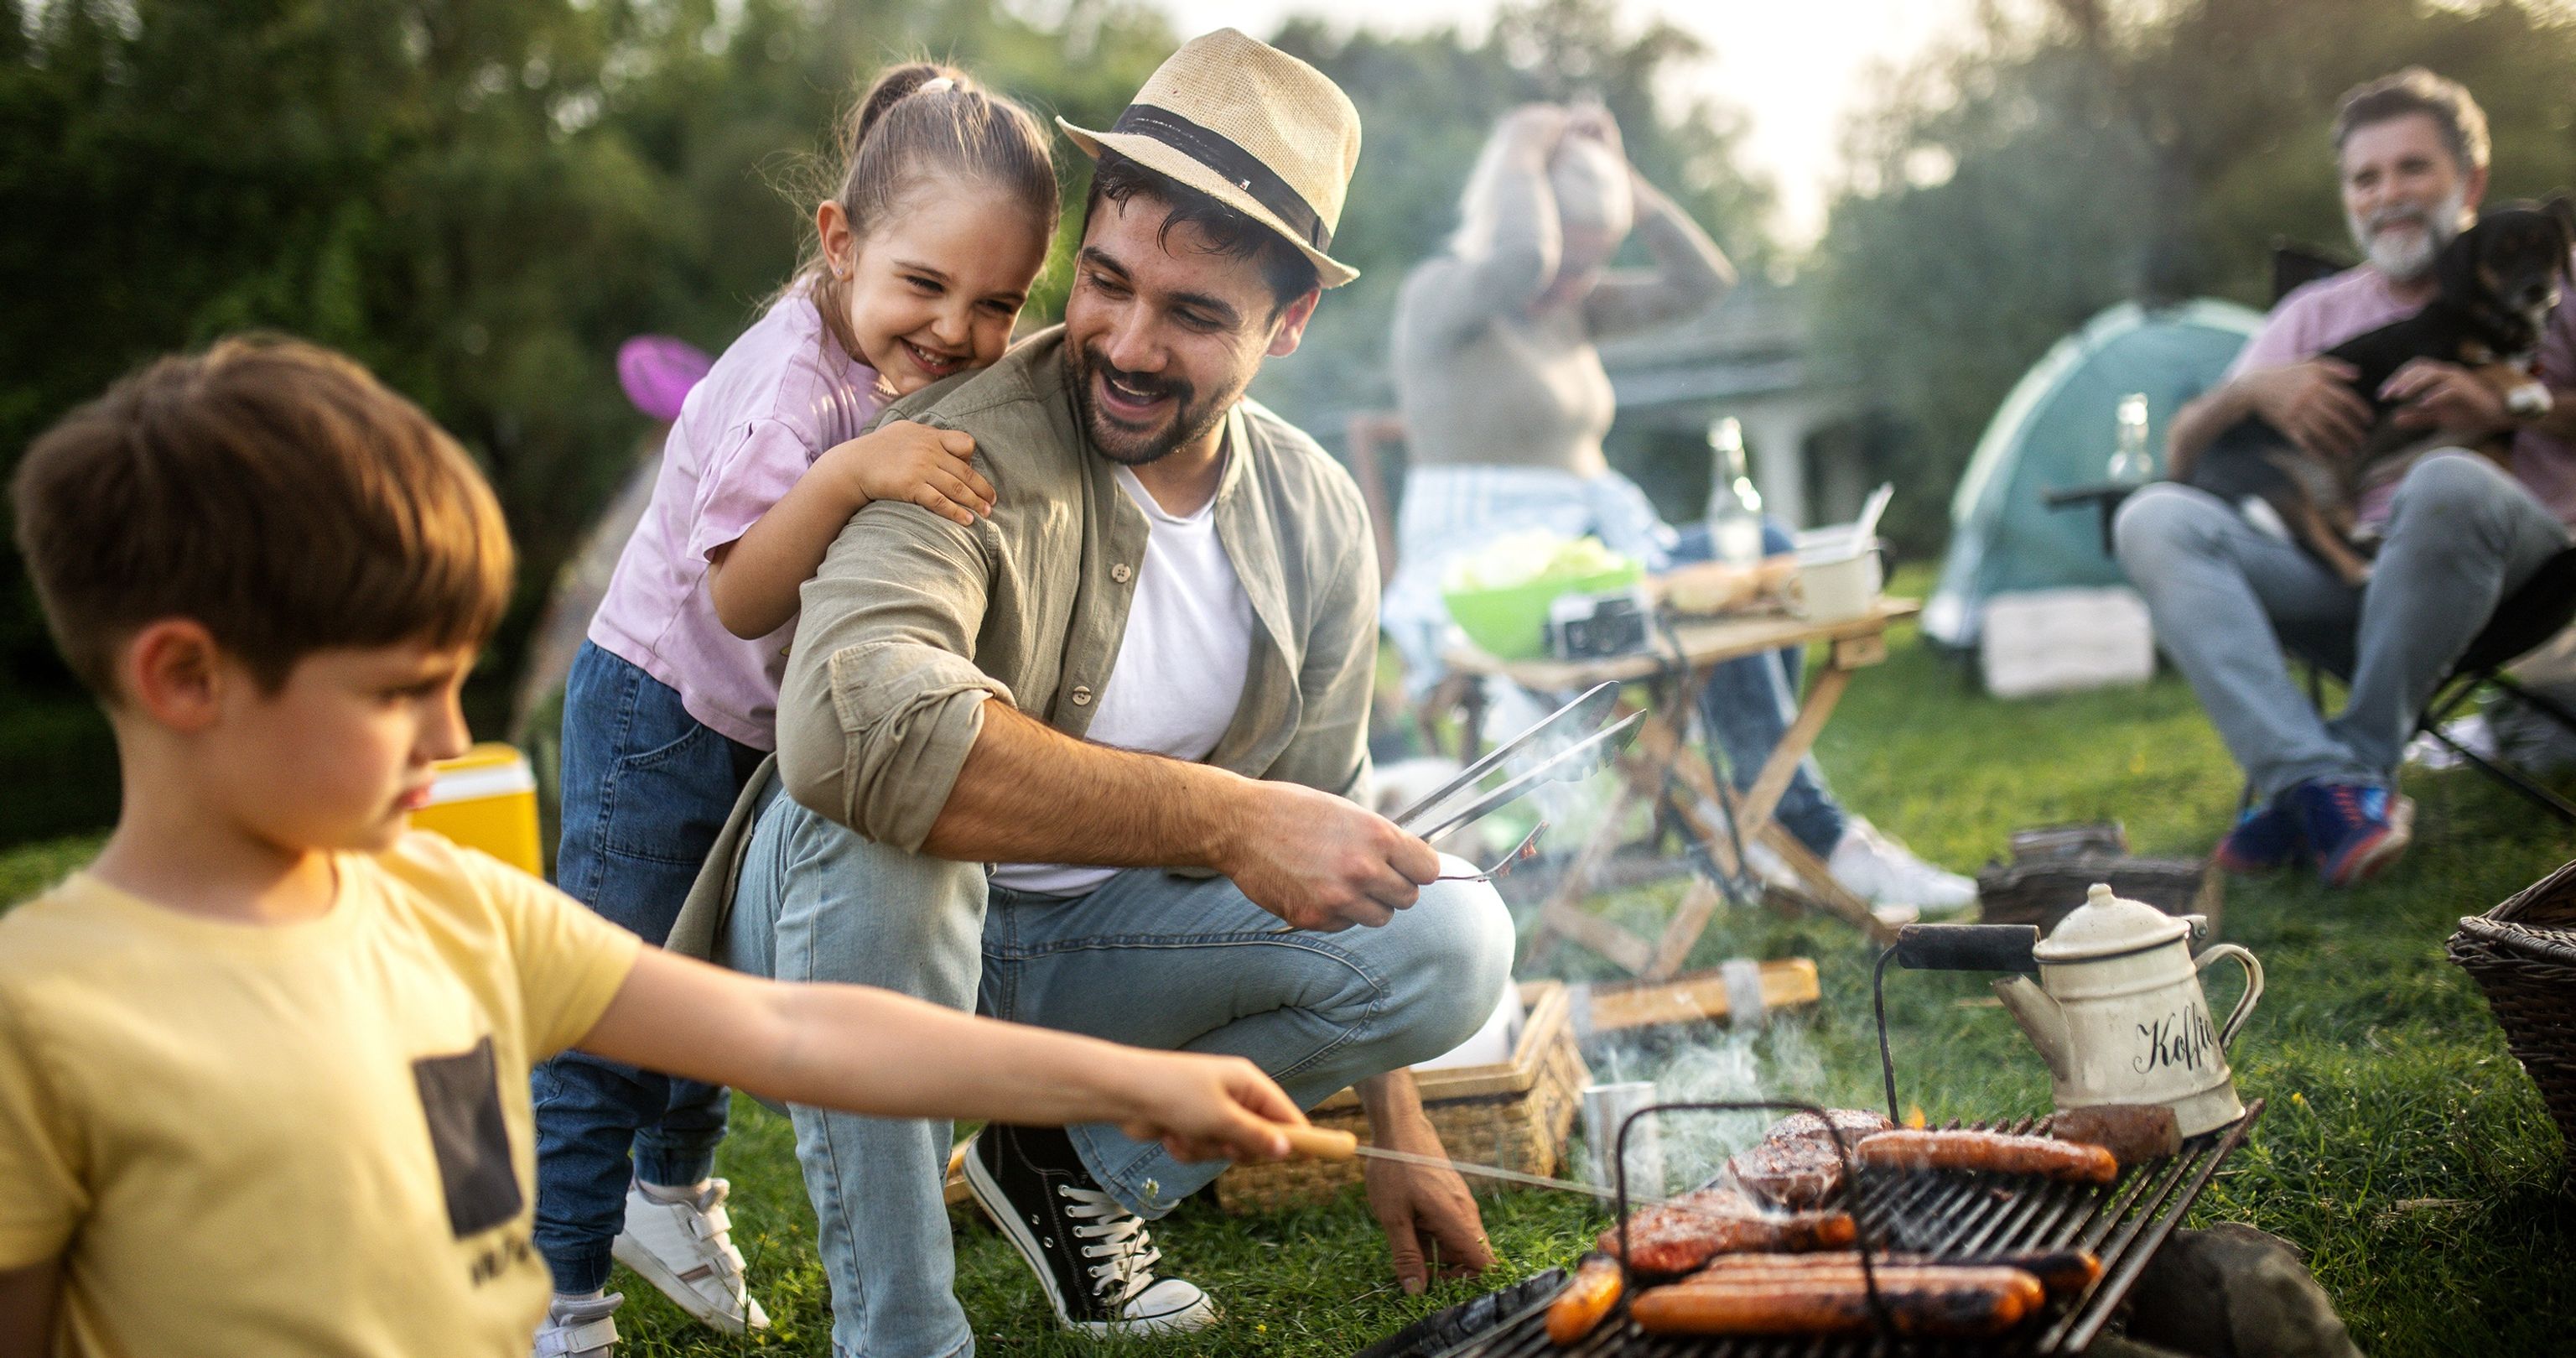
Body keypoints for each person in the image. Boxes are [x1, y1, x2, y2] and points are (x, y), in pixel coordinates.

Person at [0, 337, 1313, 1358]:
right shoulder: (49, 1024)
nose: (453, 729)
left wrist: (1127, 1082)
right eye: (400, 688)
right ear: (186, 677)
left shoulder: (456, 913)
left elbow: (805, 1037)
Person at [661, 29, 1514, 1356]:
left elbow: (1331, 829)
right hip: (853, 940)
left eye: (1192, 313)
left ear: (1288, 323)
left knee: (1455, 938)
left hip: (1102, 964)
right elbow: (856, 729)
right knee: (890, 823)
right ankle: (902, 1331)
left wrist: (1393, 1126)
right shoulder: (950, 437)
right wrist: (1227, 820)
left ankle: (1068, 1164)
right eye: (1106, 282)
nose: (1122, 340)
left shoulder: (1317, 514)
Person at [532, 62, 1056, 1348]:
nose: (954, 329)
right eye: (925, 286)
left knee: (700, 976)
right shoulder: (789, 385)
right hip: (659, 708)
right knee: (618, 991)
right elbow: (741, 597)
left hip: (761, 727)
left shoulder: (892, 350)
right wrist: (854, 471)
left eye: (998, 304)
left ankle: (670, 1194)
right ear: (841, 239)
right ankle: (558, 1288)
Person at [1380, 103, 1975, 913]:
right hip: (1490, 572)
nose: (1576, 279)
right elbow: (1524, 260)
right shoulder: (1442, 297)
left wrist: (1626, 181)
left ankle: (1760, 816)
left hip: (1592, 549)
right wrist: (1525, 141)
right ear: (1521, 215)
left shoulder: (1573, 308)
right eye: (1569, 257)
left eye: (1594, 261)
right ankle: (1807, 833)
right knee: (1709, 566)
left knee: (1759, 545)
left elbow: (1705, 280)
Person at [2116, 68, 2576, 886]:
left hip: (2522, 572)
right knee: (2151, 517)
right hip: (2347, 569)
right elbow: (2183, 460)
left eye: (2412, 168)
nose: (2388, 194)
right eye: (2366, 177)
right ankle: (2321, 784)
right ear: (2347, 197)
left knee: (2446, 479)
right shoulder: (2311, 318)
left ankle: (2349, 769)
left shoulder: (2553, 280)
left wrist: (2509, 405)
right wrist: (2246, 392)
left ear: (2469, 178)